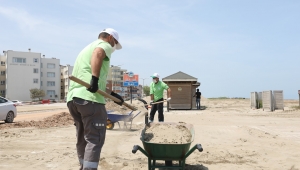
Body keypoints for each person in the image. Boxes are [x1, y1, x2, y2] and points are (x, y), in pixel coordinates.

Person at [66, 28, 124, 170]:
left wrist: (113, 95)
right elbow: (98, 55)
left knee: (82, 137)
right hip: (90, 100)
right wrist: (94, 79)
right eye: (114, 44)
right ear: (110, 37)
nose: (113, 47)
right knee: (95, 138)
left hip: (74, 99)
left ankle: (83, 166)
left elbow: (94, 83)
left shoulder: (86, 48)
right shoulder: (103, 45)